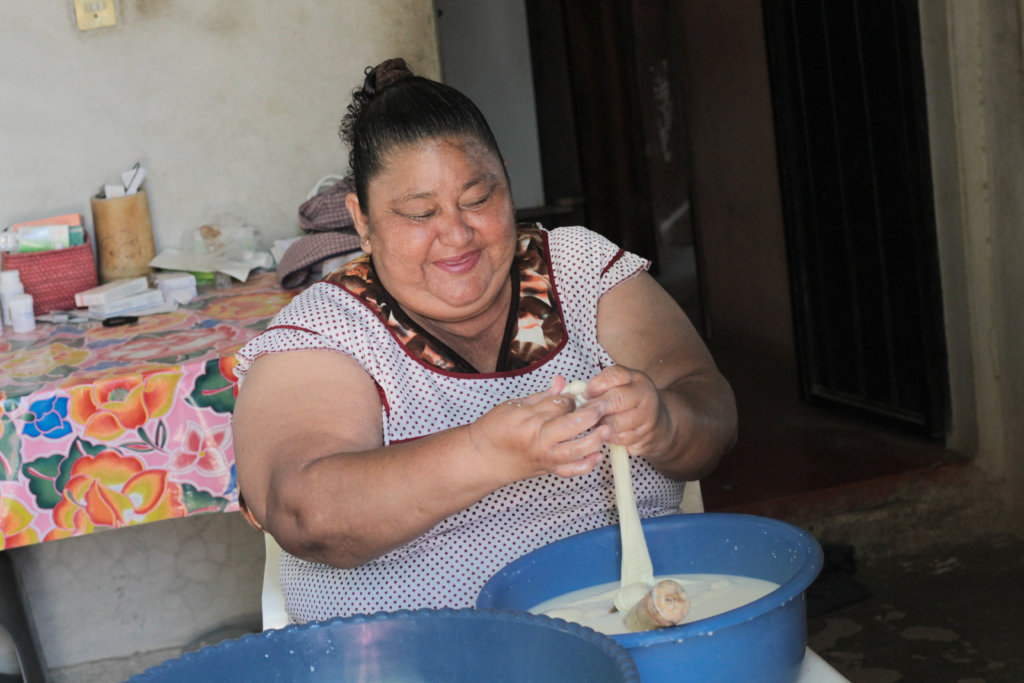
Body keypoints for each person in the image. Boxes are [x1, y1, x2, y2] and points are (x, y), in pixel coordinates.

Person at [231, 58, 737, 624]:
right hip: (419, 658)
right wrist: (484, 453)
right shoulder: (327, 331)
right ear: (363, 219)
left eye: (477, 199)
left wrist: (665, 420)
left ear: (507, 183)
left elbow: (710, 408)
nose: (456, 233)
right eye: (419, 213)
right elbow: (304, 513)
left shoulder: (581, 270)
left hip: (642, 629)